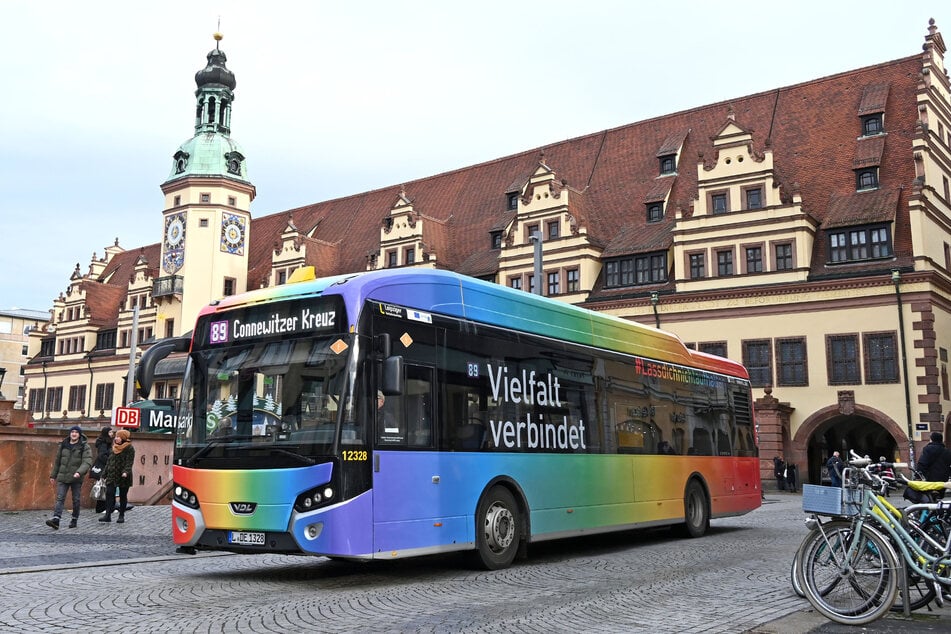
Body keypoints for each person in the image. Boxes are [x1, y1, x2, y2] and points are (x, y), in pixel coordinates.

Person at [46, 425, 93, 529]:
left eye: (76, 432)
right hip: (63, 476)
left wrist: (79, 472)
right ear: (70, 433)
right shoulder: (64, 444)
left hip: (76, 477)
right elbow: (57, 461)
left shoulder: (84, 446)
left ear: (79, 434)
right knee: (60, 498)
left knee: (76, 499)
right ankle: (56, 519)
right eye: (72, 432)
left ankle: (74, 519)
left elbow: (87, 461)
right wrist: (53, 475)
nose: (74, 434)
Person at [99, 428, 135, 524]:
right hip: (112, 474)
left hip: (123, 476)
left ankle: (121, 515)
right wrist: (104, 473)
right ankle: (108, 515)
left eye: (118, 437)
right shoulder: (114, 447)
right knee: (109, 494)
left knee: (123, 495)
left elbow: (129, 462)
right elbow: (109, 462)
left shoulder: (129, 448)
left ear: (123, 438)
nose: (116, 438)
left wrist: (126, 472)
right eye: (116, 437)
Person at [88, 426, 113, 513]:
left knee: (104, 488)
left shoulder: (106, 442)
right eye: (110, 432)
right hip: (103, 468)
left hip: (104, 467)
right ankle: (101, 508)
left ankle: (104, 507)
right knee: (103, 488)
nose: (112, 434)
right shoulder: (104, 443)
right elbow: (102, 456)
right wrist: (110, 462)